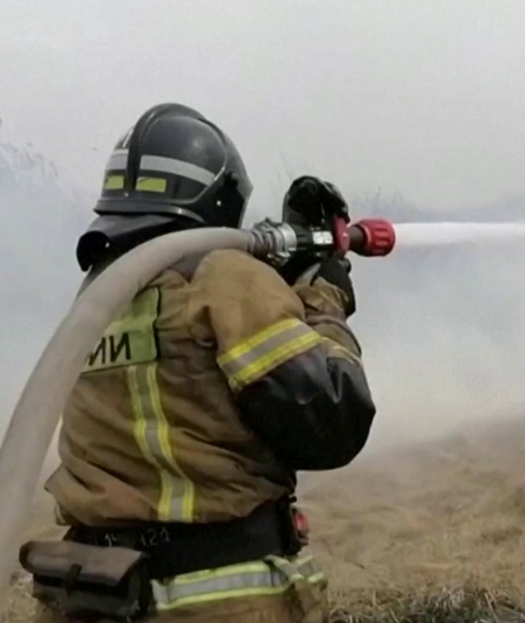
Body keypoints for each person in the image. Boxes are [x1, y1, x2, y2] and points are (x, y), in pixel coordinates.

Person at [23, 103, 377, 623]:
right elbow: (333, 418)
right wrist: (323, 298)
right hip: (217, 602)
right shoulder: (223, 275)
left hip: (93, 596)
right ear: (221, 198)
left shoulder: (100, 298)